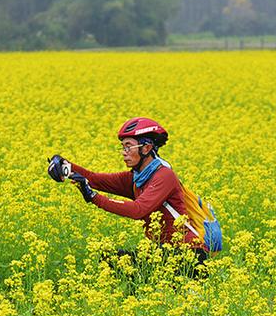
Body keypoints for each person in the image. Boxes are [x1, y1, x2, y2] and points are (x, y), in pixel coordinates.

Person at [48, 117, 208, 276]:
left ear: (146, 148)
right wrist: (65, 166)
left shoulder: (164, 176)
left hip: (189, 255)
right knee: (111, 259)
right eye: (122, 147)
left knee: (135, 275)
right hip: (163, 253)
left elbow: (138, 210)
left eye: (128, 147)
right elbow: (95, 179)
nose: (124, 153)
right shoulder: (137, 178)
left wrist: (93, 196)